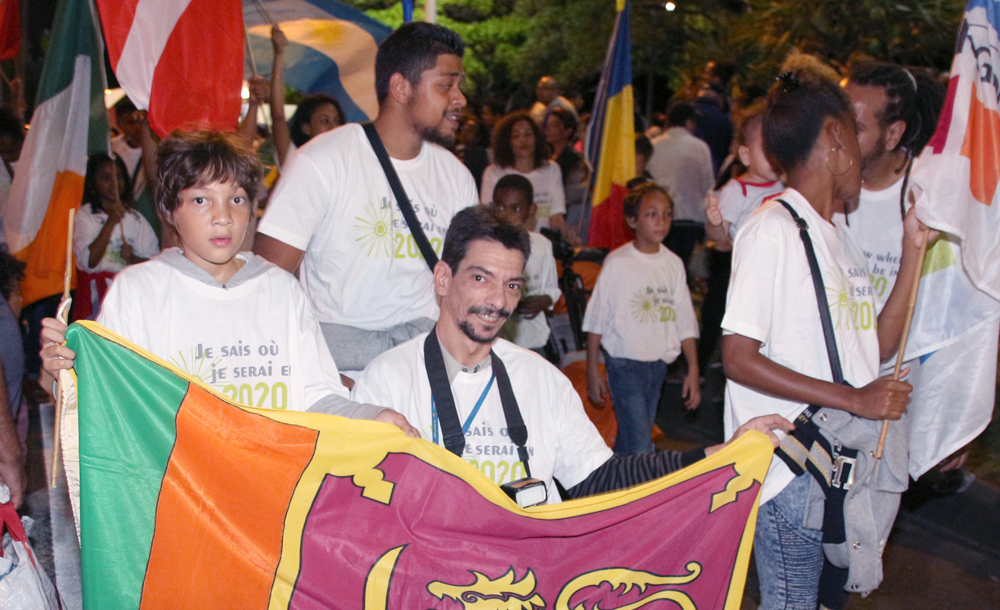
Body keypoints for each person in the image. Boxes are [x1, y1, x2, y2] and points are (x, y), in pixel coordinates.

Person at [352, 205, 792, 504]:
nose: (498, 301)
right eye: (481, 278)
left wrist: (720, 453)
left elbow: (604, 479)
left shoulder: (541, 380)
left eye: (511, 284)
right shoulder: (387, 381)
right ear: (444, 278)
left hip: (522, 586)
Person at [721, 56, 932, 609]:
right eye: (857, 137)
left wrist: (913, 250)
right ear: (836, 139)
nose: (866, 153)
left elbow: (875, 347)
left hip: (834, 470)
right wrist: (855, 399)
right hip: (791, 471)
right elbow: (739, 355)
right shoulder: (772, 228)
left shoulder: (836, 233)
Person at [40, 131, 417, 436]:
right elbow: (110, 401)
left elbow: (315, 398)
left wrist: (370, 416)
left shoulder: (280, 291)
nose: (223, 217)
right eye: (202, 200)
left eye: (237, 199)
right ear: (171, 210)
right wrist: (61, 374)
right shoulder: (139, 292)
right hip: (182, 498)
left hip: (273, 492)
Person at [253, 22, 478, 378]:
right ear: (401, 87)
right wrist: (320, 376)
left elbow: (465, 284)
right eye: (446, 85)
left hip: (425, 375)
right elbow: (264, 283)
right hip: (338, 379)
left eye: (459, 86)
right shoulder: (323, 161)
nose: (460, 99)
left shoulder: (457, 177)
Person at [584, 184, 700, 455]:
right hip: (624, 364)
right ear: (632, 220)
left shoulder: (673, 264)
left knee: (632, 438)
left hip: (658, 365)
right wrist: (592, 367)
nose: (661, 221)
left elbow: (684, 319)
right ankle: (637, 493)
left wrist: (693, 369)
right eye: (652, 214)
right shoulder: (618, 262)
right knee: (640, 445)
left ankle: (609, 484)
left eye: (667, 214)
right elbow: (597, 318)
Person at [701, 99, 782, 370]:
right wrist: (715, 221)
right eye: (767, 149)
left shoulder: (788, 185)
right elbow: (720, 234)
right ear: (746, 156)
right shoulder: (738, 189)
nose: (776, 155)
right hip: (749, 274)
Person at [72, 154, 160, 321]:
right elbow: (88, 261)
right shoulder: (85, 215)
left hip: (129, 297)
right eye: (106, 178)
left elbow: (155, 264)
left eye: (118, 176)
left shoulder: (135, 219)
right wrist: (110, 222)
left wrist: (133, 258)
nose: (114, 183)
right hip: (96, 297)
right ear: (92, 183)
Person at [490, 175, 561, 357]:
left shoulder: (542, 245)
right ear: (491, 207)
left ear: (531, 210)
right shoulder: (485, 247)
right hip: (496, 340)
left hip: (534, 342)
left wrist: (543, 300)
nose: (506, 213)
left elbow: (552, 289)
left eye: (516, 208)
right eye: (500, 206)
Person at [646, 102, 714, 269]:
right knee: (682, 269)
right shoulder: (699, 147)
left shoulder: (654, 145)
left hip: (658, 217)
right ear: (689, 122)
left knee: (659, 267)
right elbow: (707, 184)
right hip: (690, 216)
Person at [480, 112, 567, 235]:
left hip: (542, 244)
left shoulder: (552, 169)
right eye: (516, 136)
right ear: (507, 141)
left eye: (528, 134)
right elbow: (489, 218)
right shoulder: (493, 173)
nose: (523, 140)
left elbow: (556, 216)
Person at [544, 107, 588, 242]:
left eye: (555, 124)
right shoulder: (545, 156)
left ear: (568, 130)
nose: (549, 129)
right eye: (547, 125)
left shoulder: (573, 160)